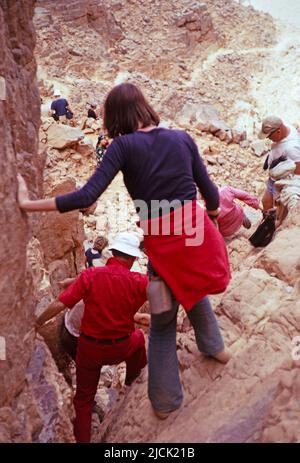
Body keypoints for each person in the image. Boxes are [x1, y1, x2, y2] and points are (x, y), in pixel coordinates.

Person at [18, 82, 231, 421]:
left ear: (115, 116)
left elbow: (87, 197)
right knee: (191, 285)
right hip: (194, 232)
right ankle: (215, 348)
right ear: (145, 107)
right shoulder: (182, 138)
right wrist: (215, 218)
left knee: (162, 322)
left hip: (164, 244)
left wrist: (30, 204)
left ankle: (165, 403)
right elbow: (210, 192)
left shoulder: (123, 146)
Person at [35, 232, 149, 443]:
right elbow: (164, 293)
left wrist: (37, 323)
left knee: (83, 401)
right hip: (120, 347)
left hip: (89, 349)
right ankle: (132, 380)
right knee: (140, 338)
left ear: (113, 252)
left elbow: (61, 303)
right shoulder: (139, 281)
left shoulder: (91, 276)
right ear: (133, 258)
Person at [258, 116, 300, 212]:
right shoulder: (285, 126)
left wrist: (281, 178)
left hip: (280, 182)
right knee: (266, 202)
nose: (268, 138)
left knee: (275, 208)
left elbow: (298, 170)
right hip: (273, 178)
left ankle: (273, 223)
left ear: (278, 132)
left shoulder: (292, 148)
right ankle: (266, 218)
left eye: (269, 136)